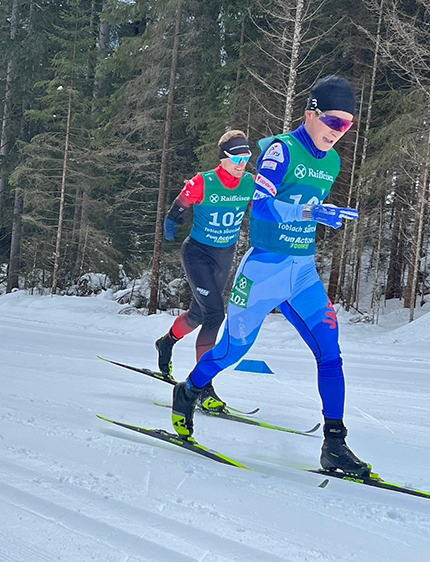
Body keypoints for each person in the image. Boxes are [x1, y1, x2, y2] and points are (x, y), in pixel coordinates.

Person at [171, 76, 370, 476]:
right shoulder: (283, 150)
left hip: (303, 274)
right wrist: (312, 213)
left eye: (347, 125)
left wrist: (319, 214)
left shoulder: (332, 162)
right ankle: (188, 391)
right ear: (311, 111)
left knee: (331, 355)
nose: (339, 132)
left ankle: (335, 442)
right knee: (232, 351)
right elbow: (260, 208)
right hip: (264, 271)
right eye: (334, 121)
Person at [155, 130, 255, 412]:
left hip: (224, 256)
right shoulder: (203, 182)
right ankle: (202, 386)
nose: (242, 163)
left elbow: (270, 206)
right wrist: (172, 222)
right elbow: (177, 208)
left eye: (246, 157)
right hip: (197, 254)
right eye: (236, 157)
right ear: (223, 158)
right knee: (215, 313)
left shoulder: (250, 183)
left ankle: (166, 342)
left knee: (200, 314)